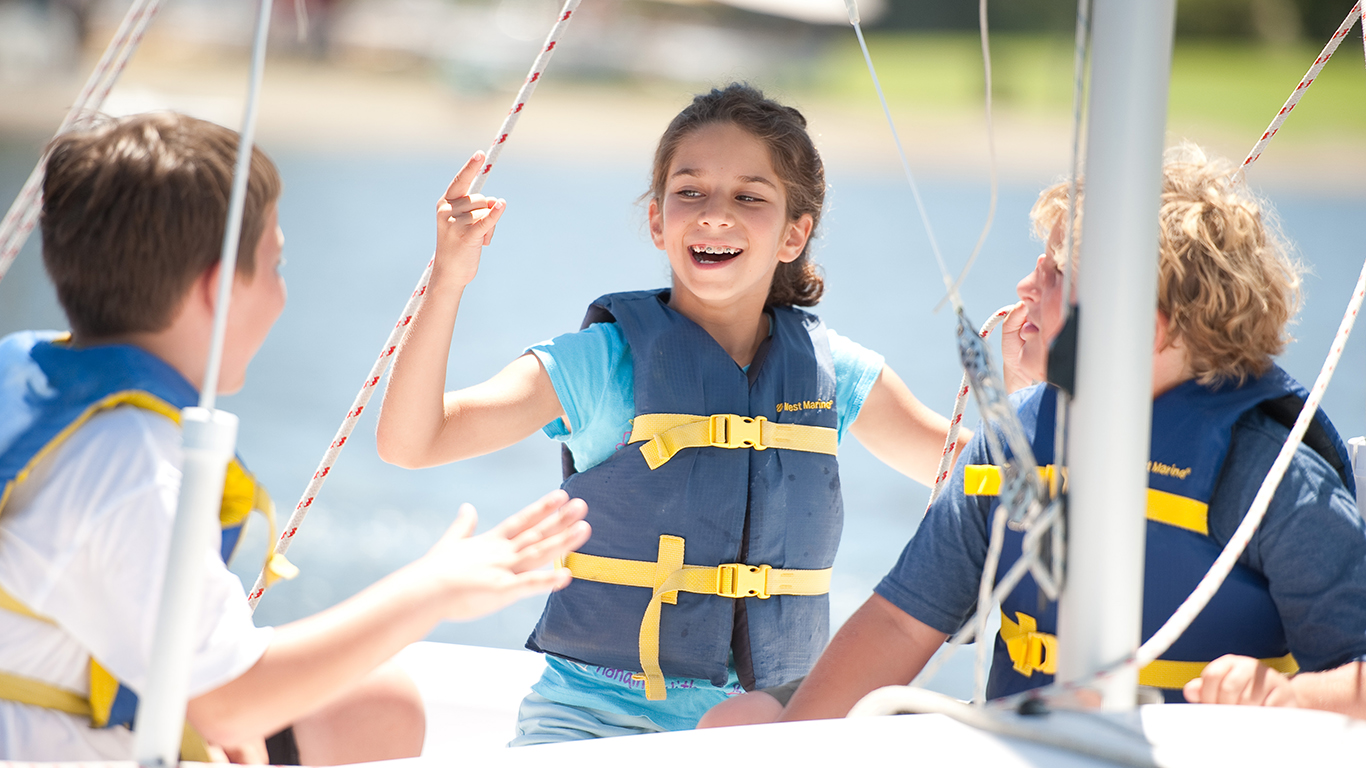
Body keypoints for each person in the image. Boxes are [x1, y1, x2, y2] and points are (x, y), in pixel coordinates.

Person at [375, 83, 969, 742]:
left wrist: (1036, 379)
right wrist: (448, 279)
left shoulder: (839, 374)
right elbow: (413, 441)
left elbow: (995, 480)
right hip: (589, 727)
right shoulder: (602, 363)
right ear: (658, 220)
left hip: (758, 731)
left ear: (794, 233)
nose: (715, 214)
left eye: (749, 196)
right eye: (690, 191)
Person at [700, 144, 1366, 727]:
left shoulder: (1267, 478)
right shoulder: (1014, 444)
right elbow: (903, 622)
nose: (1025, 287)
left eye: (1055, 274)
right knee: (745, 724)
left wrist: (1287, 697)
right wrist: (798, 743)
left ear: (1145, 322)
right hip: (1030, 745)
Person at [0, 112, 592, 763]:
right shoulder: (133, 466)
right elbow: (225, 702)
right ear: (218, 290)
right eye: (275, 264)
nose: (283, 293)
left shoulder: (36, 386)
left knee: (375, 705)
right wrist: (435, 589)